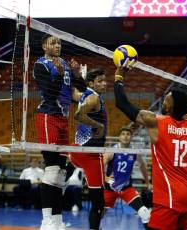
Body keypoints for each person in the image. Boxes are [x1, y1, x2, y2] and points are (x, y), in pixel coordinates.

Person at [113, 67, 187, 230]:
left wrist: (119, 77)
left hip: (170, 198)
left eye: (167, 100)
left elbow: (122, 103)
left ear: (172, 106)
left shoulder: (157, 121)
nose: (163, 102)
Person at [33, 34, 83, 230]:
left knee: (61, 173)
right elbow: (50, 91)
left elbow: (75, 93)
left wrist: (77, 76)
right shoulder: (41, 65)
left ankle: (57, 220)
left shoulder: (64, 63)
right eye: (52, 42)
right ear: (45, 46)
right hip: (48, 116)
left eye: (59, 42)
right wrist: (61, 74)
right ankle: (46, 221)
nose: (57, 45)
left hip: (64, 119)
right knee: (52, 169)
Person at [68, 67, 108, 230]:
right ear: (91, 83)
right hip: (91, 155)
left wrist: (77, 77)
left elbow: (74, 93)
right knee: (99, 203)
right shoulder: (93, 98)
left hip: (76, 151)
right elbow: (78, 114)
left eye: (105, 80)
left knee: (59, 179)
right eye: (100, 81)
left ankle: (53, 217)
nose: (104, 84)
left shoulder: (84, 95)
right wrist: (97, 125)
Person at [102, 126, 151, 227]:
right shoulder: (112, 150)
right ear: (119, 137)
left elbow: (142, 166)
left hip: (126, 188)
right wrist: (105, 178)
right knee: (99, 214)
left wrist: (147, 182)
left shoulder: (134, 152)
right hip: (110, 189)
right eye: (123, 134)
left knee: (145, 213)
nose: (125, 136)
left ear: (131, 137)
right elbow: (100, 165)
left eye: (128, 134)